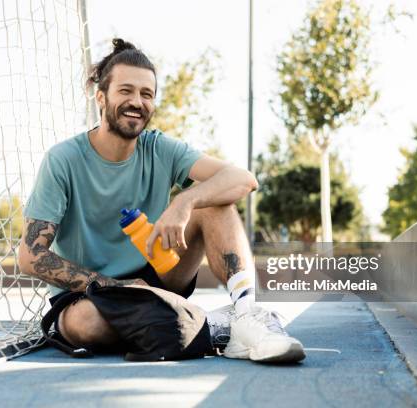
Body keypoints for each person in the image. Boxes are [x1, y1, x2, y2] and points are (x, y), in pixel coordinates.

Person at [19, 38, 304, 363]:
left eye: (146, 94)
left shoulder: (160, 148)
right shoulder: (63, 159)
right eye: (125, 91)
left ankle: (247, 316)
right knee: (87, 324)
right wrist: (115, 286)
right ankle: (214, 327)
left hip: (158, 275)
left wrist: (184, 202)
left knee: (214, 200)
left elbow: (243, 179)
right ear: (101, 97)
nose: (136, 102)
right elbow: (31, 255)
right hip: (89, 292)